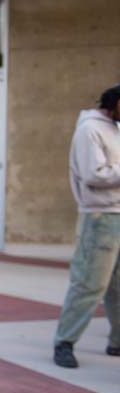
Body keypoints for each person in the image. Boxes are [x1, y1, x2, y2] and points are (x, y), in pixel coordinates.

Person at [52, 83, 120, 368]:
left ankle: (117, 340)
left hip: (115, 212)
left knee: (117, 285)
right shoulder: (90, 129)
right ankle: (64, 342)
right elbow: (95, 174)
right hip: (100, 216)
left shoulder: (114, 128)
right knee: (89, 283)